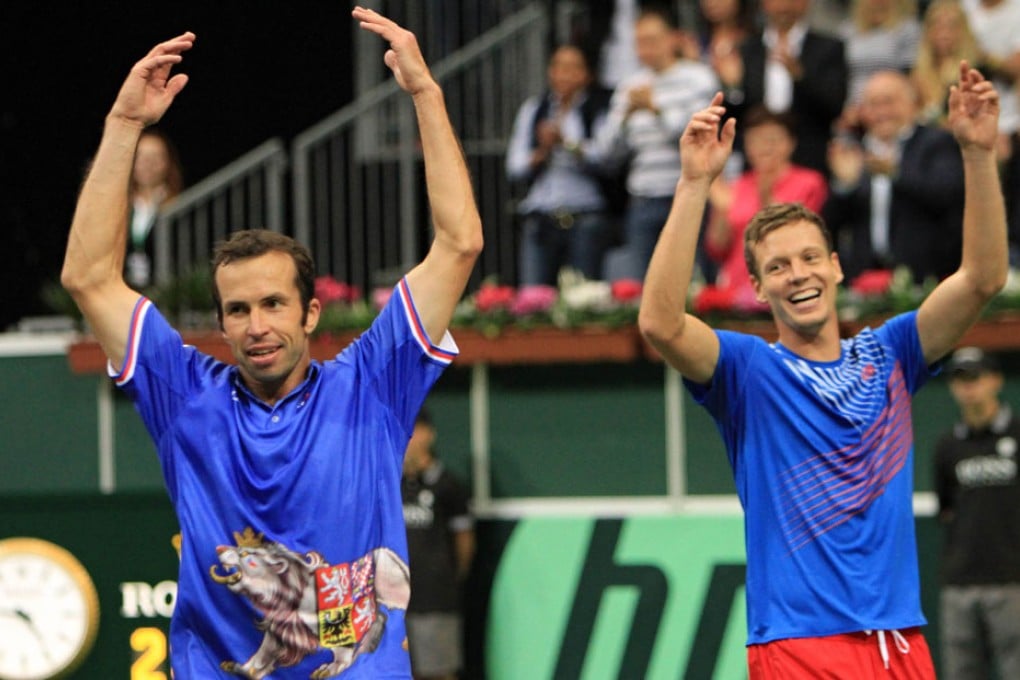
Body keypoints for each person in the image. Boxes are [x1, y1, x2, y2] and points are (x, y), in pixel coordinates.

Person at [60, 7, 483, 678]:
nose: (256, 324)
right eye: (238, 309)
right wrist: (123, 126)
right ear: (221, 323)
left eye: (273, 304)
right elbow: (87, 276)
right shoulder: (182, 394)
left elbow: (459, 244)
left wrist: (427, 97)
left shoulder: (373, 384)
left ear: (311, 312)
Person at [638, 58, 1007, 677]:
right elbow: (660, 323)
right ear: (757, 288)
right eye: (777, 267)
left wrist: (975, 153)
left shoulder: (892, 352)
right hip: (799, 646)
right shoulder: (749, 371)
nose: (798, 274)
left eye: (809, 257)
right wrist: (694, 184)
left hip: (901, 644)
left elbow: (982, 279)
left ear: (836, 267)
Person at [596, 5, 719, 281]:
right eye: (639, 42)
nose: (644, 49)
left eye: (651, 40)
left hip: (688, 196)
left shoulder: (698, 77)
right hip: (643, 199)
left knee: (695, 285)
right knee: (644, 287)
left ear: (673, 39)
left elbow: (700, 137)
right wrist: (625, 118)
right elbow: (607, 153)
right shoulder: (629, 86)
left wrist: (656, 109)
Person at [825, 70, 965, 284]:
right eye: (873, 104)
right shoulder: (852, 151)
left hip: (928, 276)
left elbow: (948, 196)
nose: (882, 112)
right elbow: (830, 225)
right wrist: (846, 186)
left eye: (889, 102)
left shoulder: (936, 143)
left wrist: (896, 174)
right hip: (866, 278)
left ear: (912, 104)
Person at [934, 347, 1020, 679]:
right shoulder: (947, 447)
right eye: (960, 379)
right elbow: (946, 509)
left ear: (995, 380)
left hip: (1013, 580)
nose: (969, 387)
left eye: (975, 377)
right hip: (960, 583)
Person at [505, 44, 616, 286]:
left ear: (586, 74)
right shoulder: (535, 109)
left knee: (584, 298)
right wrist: (543, 151)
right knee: (534, 300)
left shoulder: (597, 108)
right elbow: (514, 166)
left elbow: (607, 158)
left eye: (572, 68)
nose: (564, 74)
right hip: (541, 218)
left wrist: (566, 143)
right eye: (558, 67)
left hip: (586, 218)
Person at [701, 106, 828, 313]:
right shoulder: (737, 185)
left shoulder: (809, 182)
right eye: (755, 140)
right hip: (737, 292)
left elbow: (803, 237)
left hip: (788, 289)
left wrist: (766, 198)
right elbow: (717, 249)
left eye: (771, 140)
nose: (763, 147)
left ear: (790, 143)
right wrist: (722, 210)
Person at [722, 0, 848, 177]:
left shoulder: (828, 47)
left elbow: (834, 106)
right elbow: (734, 116)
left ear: (805, 3)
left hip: (809, 160)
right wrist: (733, 86)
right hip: (757, 162)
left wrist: (800, 77)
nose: (783, 6)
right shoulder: (748, 49)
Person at [401, 408, 475, 680]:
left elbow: (464, 542)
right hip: (390, 601)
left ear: (429, 435)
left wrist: (451, 579)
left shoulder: (448, 485)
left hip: (435, 598)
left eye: (416, 431)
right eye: (405, 432)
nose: (410, 439)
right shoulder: (386, 483)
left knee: (439, 671)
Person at [125, 127, 183, 289]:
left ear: (168, 162)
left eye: (155, 157)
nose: (148, 164)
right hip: (128, 292)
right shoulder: (121, 207)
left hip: (166, 290)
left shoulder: (179, 205)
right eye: (141, 157)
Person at [912, 0, 981, 128]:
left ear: (964, 30)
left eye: (951, 26)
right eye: (936, 25)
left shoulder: (975, 72)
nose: (943, 33)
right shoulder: (917, 73)